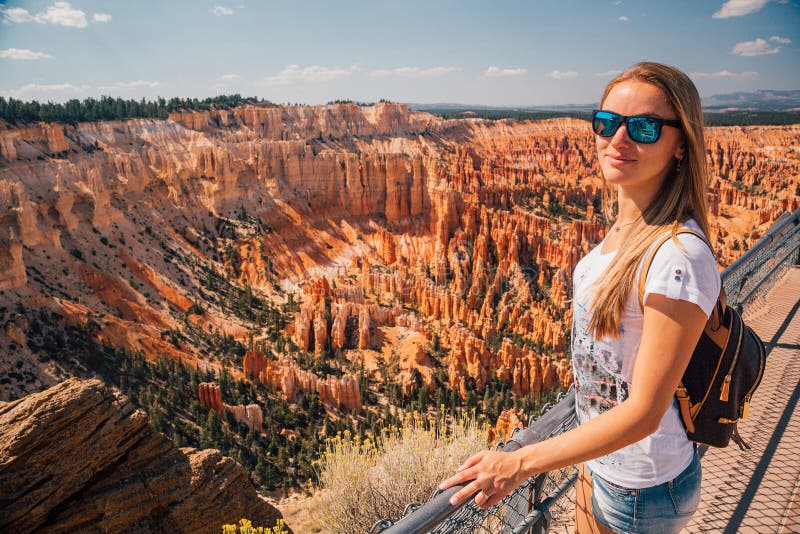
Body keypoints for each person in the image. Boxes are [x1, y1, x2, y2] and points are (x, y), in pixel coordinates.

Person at [439, 61, 721, 533]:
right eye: (607, 123)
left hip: (644, 488)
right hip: (600, 462)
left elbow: (645, 413)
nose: (619, 139)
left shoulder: (678, 256)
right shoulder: (628, 227)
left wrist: (520, 462)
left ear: (680, 145)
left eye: (645, 127)